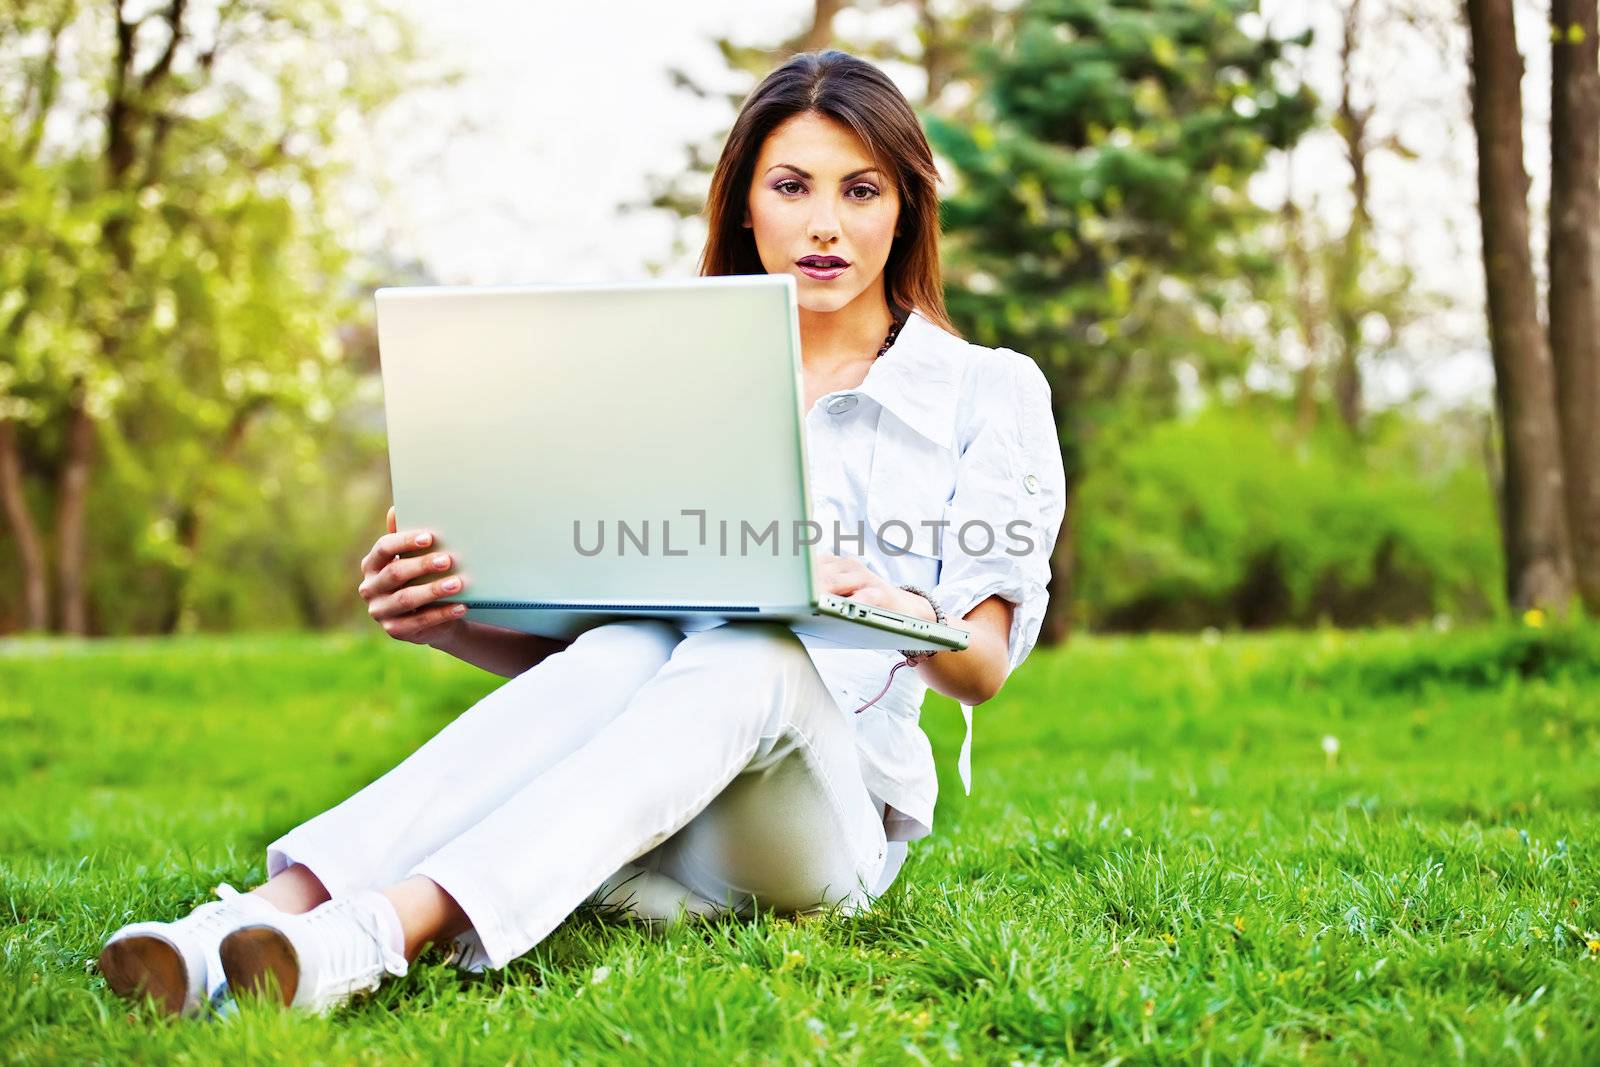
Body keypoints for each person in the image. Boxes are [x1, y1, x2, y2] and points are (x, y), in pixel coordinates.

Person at [96, 48, 1066, 1019]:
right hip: (645, 796)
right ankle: (240, 923)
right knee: (628, 641)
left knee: (754, 656)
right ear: (744, 204)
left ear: (904, 208)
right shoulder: (674, 377)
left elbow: (980, 663)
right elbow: (593, 672)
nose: (825, 223)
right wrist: (447, 619)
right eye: (791, 186)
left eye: (860, 190)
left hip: (817, 823)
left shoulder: (988, 390)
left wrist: (879, 599)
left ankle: (379, 929)